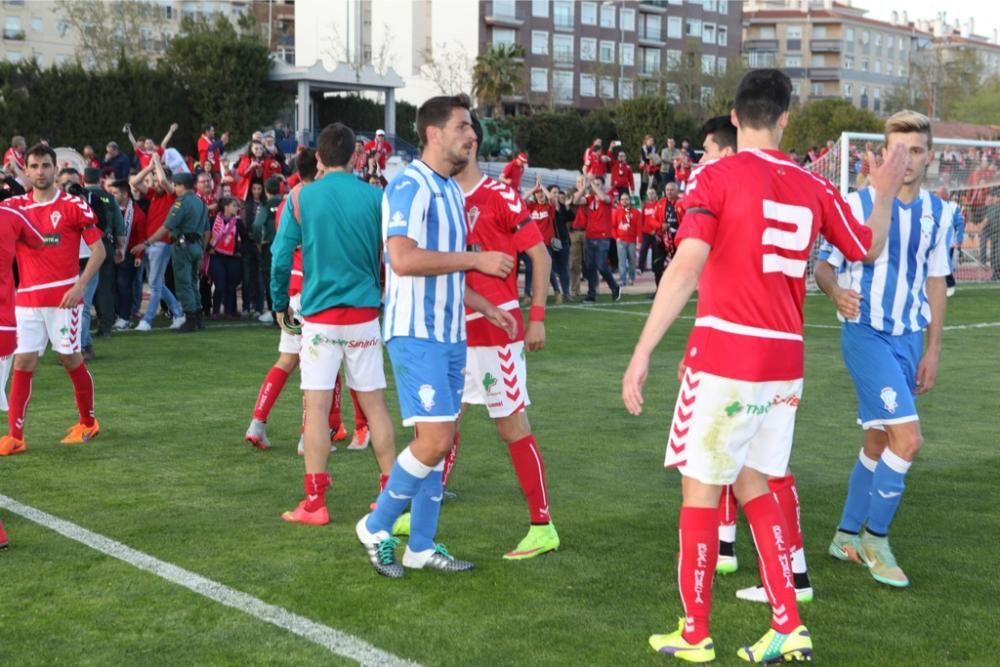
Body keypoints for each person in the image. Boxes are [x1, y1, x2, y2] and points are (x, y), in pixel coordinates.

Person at [621, 69, 907, 663]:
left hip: (728, 352)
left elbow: (686, 265)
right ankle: (787, 622)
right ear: (784, 118)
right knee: (756, 482)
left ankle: (695, 634)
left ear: (733, 116)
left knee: (701, 489)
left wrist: (643, 350)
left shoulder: (716, 175)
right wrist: (881, 192)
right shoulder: (813, 186)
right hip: (785, 357)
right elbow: (866, 247)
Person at [355, 94, 517, 577]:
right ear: (433, 133)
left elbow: (445, 271)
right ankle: (377, 525)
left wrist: (487, 306)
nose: (472, 135)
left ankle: (421, 547)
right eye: (464, 126)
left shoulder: (448, 190)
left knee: (437, 440)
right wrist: (476, 259)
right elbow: (403, 259)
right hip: (415, 334)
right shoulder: (409, 185)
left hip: (450, 336)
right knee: (436, 437)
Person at [818, 110, 951, 589]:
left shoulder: (941, 213)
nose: (907, 160)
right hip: (865, 333)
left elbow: (936, 283)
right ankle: (876, 539)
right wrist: (835, 293)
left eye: (916, 150)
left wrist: (932, 350)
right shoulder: (857, 203)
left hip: (908, 338)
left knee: (877, 442)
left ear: (929, 156)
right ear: (883, 154)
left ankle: (845, 536)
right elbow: (824, 266)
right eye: (898, 151)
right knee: (909, 440)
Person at [270, 123, 397, 526]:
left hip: (320, 316)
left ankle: (315, 501)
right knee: (374, 405)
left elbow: (279, 255)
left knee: (317, 406)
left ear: (319, 159)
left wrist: (278, 303)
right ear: (356, 157)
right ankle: (390, 495)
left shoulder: (302, 197)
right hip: (363, 315)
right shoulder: (377, 196)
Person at [449, 113, 558, 559]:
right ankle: (418, 511)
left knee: (511, 426)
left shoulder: (499, 195)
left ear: (471, 141)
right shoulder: (440, 194)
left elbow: (540, 256)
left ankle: (542, 525)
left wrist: (537, 317)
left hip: (498, 332)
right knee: (441, 421)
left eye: (458, 132)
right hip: (453, 328)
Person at [0, 143, 109, 457]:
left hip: (64, 300)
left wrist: (80, 287)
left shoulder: (74, 206)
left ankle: (88, 422)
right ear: (27, 170)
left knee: (70, 359)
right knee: (23, 362)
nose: (40, 172)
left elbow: (99, 252)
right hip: (27, 303)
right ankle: (15, 435)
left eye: (45, 166)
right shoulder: (15, 207)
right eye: (34, 166)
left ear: (55, 167)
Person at [142, 172, 209, 332]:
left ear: (181, 186)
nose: (174, 188)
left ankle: (190, 320)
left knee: (184, 283)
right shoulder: (200, 202)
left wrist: (147, 242)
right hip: (196, 246)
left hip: (182, 246)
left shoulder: (181, 203)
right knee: (193, 283)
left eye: (176, 185)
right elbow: (207, 230)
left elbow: (167, 226)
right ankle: (198, 318)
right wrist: (202, 250)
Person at [129, 153, 187, 332]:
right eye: (153, 179)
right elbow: (135, 183)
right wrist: (149, 169)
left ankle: (147, 320)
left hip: (161, 243)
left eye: (155, 178)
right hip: (149, 243)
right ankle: (178, 313)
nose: (154, 183)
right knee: (157, 284)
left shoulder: (172, 195)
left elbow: (163, 182)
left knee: (154, 284)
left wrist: (156, 162)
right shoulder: (154, 194)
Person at [82, 167, 126, 342]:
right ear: (99, 180)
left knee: (84, 285)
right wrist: (120, 247)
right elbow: (119, 225)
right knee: (105, 287)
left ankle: (84, 325)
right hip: (106, 244)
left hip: (86, 246)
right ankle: (106, 326)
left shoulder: (79, 196)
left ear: (83, 179)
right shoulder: (108, 198)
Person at [576, 175, 621, 303]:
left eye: (599, 184)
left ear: (603, 186)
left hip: (603, 237)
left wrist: (593, 185)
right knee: (590, 267)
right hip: (590, 236)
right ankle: (591, 294)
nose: (595, 186)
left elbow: (603, 198)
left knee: (601, 266)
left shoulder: (608, 196)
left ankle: (614, 287)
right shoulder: (589, 199)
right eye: (594, 183)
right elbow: (576, 201)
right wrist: (584, 187)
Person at [107, 179, 146, 329]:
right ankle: (116, 314)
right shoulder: (109, 208)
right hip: (111, 252)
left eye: (115, 193)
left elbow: (141, 237)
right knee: (112, 285)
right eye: (111, 192)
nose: (111, 196)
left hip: (128, 253)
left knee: (124, 285)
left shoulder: (138, 213)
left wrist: (138, 256)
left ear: (124, 194)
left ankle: (124, 316)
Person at [252, 176, 284, 323]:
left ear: (266, 190)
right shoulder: (287, 203)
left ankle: (274, 312)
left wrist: (258, 241)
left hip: (271, 246)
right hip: (289, 246)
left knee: (272, 279)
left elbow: (257, 225)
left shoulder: (265, 207)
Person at [522, 177, 554, 305]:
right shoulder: (531, 206)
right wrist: (534, 188)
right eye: (538, 193)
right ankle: (527, 294)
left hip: (546, 244)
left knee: (546, 270)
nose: (540, 195)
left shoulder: (549, 207)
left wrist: (543, 187)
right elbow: (521, 200)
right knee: (530, 269)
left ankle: (550, 294)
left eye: (541, 193)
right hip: (532, 244)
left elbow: (551, 198)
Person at [612, 191, 639, 286]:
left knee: (632, 261)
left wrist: (639, 240)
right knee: (622, 261)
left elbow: (638, 227)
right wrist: (616, 238)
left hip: (632, 241)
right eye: (622, 199)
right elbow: (613, 226)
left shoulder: (636, 212)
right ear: (620, 201)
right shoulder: (616, 212)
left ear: (629, 200)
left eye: (626, 199)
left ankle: (631, 278)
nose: (624, 201)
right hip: (621, 240)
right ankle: (622, 280)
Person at [568, 176, 589, 298]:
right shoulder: (571, 193)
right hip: (574, 231)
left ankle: (594, 287)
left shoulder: (591, 194)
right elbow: (574, 201)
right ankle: (575, 289)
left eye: (582, 181)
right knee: (574, 263)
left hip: (588, 231)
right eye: (578, 181)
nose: (580, 183)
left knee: (590, 262)